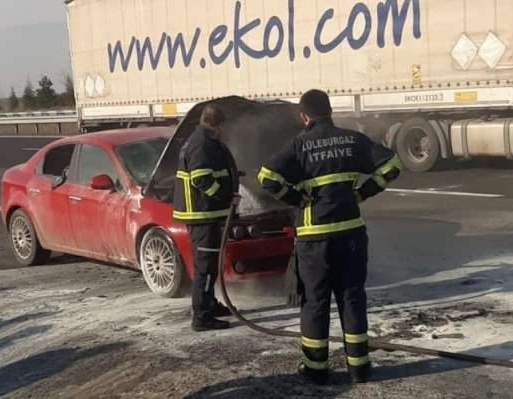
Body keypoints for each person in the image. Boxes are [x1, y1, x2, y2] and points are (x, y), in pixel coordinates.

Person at [258, 89, 401, 384]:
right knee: (352, 298)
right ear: (330, 110)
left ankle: (316, 369)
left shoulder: (298, 145)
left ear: (304, 116)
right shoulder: (353, 140)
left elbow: (266, 177)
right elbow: (392, 166)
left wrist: (295, 197)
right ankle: (360, 368)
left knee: (315, 302)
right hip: (350, 233)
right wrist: (363, 192)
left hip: (314, 240)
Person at [172, 103, 241, 332]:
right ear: (219, 125)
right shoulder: (202, 145)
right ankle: (202, 317)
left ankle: (209, 304)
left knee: (209, 265)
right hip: (203, 215)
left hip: (205, 215)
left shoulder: (198, 141)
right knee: (205, 266)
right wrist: (225, 196)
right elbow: (201, 179)